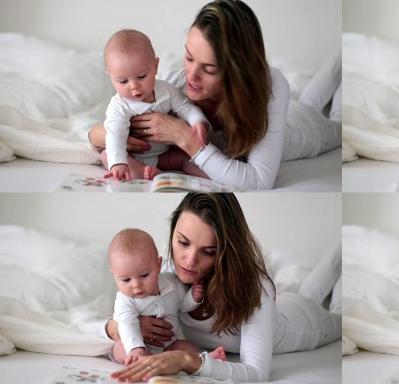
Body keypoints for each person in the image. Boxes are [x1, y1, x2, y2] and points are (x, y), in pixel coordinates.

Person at [88, 0, 341, 190]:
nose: (191, 76)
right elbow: (103, 127)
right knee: (310, 98)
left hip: (301, 130)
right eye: (188, 57)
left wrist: (183, 136)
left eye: (209, 69)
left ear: (238, 72)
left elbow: (258, 182)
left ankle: (343, 56)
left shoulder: (271, 86)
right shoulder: (174, 84)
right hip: (287, 111)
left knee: (339, 120)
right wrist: (114, 135)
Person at [100, 193, 341, 382]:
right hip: (283, 304)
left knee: (339, 313)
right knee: (308, 291)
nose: (189, 260)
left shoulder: (256, 289)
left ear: (227, 252)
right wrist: (119, 327)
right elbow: (121, 311)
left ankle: (345, 246)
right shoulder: (160, 271)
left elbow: (257, 373)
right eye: (183, 242)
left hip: (301, 324)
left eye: (208, 251)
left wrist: (187, 360)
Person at [101, 29, 209, 180]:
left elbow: (185, 106)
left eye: (141, 76)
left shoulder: (167, 90)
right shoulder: (119, 106)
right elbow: (115, 134)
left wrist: (197, 120)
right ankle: (147, 172)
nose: (134, 86)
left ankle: (214, 179)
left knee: (186, 157)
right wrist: (118, 163)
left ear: (155, 66)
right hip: (134, 156)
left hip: (164, 154)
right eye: (123, 81)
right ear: (110, 76)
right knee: (107, 155)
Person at [107, 228, 225, 365]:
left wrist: (193, 297)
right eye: (126, 280)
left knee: (186, 346)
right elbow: (127, 324)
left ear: (158, 265)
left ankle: (204, 359)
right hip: (139, 346)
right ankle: (142, 362)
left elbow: (182, 305)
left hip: (169, 347)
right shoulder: (125, 300)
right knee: (120, 347)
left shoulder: (171, 283)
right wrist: (136, 348)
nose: (136, 285)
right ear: (114, 275)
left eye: (144, 275)